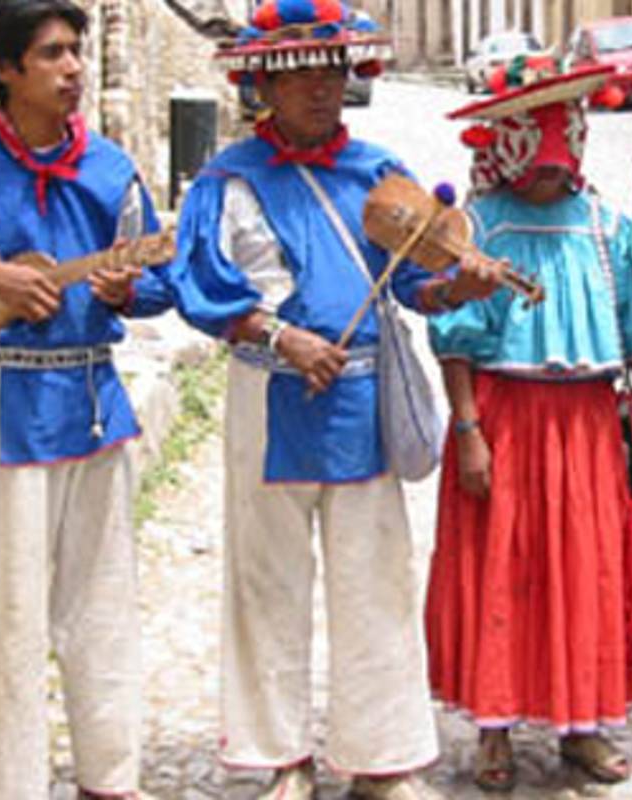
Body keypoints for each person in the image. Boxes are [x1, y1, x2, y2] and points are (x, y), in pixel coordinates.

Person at [169, 2, 503, 798]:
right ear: (264, 88)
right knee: (267, 582)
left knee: (374, 581)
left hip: (360, 397)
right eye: (300, 76)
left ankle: (380, 757)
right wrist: (281, 337)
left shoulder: (379, 176)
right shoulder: (228, 181)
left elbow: (421, 285)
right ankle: (282, 753)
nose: (321, 88)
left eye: (332, 72)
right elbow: (201, 288)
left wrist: (461, 281)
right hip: (271, 395)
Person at [0, 1, 172, 797]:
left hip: (93, 397)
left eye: (77, 50)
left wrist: (125, 291)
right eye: (52, 54)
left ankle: (110, 777)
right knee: (6, 608)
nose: (75, 67)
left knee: (105, 599)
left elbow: (160, 285)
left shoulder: (112, 171)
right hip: (2, 395)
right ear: (6, 68)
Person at [426, 63, 632, 792]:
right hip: (505, 418)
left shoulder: (604, 227)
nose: (546, 176)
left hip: (590, 422)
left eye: (559, 160)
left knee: (587, 568)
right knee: (502, 565)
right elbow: (459, 338)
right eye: (535, 161)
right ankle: (495, 724)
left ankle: (582, 722)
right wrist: (467, 429)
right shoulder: (482, 228)